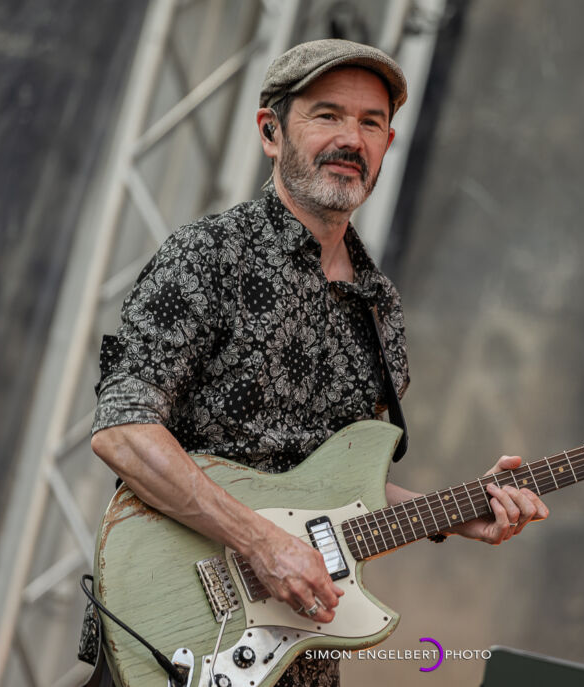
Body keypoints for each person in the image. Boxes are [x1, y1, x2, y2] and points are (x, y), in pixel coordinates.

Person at [89, 39, 549, 687]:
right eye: (327, 115)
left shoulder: (379, 304)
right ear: (270, 132)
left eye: (370, 123)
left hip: (303, 660)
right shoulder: (207, 257)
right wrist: (260, 542)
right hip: (177, 635)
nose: (351, 139)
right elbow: (122, 430)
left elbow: (328, 490)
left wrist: (451, 512)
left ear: (388, 144)